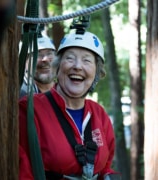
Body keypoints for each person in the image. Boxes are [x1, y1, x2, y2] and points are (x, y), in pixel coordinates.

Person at [19, 28, 121, 179]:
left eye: (87, 60)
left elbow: (105, 165)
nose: (78, 66)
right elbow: (21, 168)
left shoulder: (99, 114)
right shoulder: (29, 110)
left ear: (96, 74)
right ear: (57, 68)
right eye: (70, 58)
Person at [19, 33, 57, 98]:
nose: (45, 59)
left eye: (49, 54)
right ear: (24, 61)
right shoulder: (21, 95)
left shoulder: (65, 91)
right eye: (37, 54)